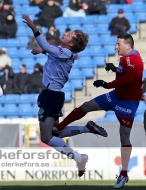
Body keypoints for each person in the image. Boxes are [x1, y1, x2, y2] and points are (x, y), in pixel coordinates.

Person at [52, 33, 144, 189]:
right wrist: (114, 68)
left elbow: (127, 79)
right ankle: (59, 128)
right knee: (87, 106)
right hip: (116, 96)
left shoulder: (133, 59)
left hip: (128, 102)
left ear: (127, 46)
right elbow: (127, 73)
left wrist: (106, 84)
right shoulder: (127, 58)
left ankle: (123, 174)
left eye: (118, 44)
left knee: (124, 136)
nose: (116, 47)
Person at [22, 15, 107, 177]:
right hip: (53, 95)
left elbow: (48, 47)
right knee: (55, 132)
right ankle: (85, 128)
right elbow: (51, 52)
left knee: (46, 137)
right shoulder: (65, 53)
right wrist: (42, 51)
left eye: (70, 34)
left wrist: (33, 26)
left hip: (50, 96)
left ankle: (78, 157)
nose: (66, 33)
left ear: (72, 43)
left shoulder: (66, 53)